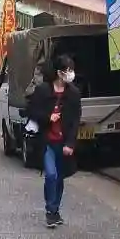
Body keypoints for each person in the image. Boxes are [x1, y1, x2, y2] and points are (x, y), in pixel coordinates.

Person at [24, 54, 82, 229]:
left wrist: (70, 143)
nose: (70, 73)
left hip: (63, 142)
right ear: (59, 72)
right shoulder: (43, 90)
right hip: (47, 141)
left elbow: (75, 121)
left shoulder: (73, 94)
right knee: (51, 175)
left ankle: (55, 210)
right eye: (67, 70)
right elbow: (31, 111)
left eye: (72, 70)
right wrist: (48, 117)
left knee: (60, 177)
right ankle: (50, 211)